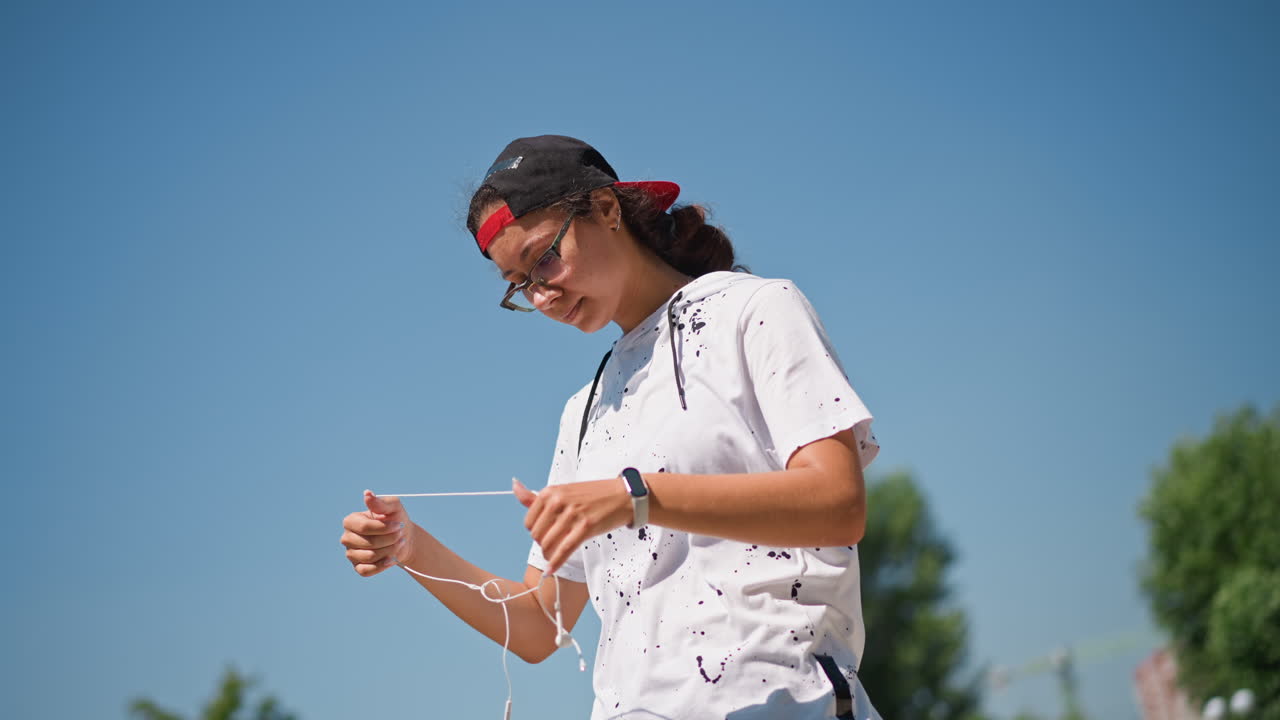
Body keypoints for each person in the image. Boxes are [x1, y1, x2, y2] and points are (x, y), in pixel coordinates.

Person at [340, 135, 882, 719]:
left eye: (545, 257)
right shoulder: (584, 411)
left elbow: (837, 503)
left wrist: (636, 497)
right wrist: (412, 548)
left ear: (606, 209)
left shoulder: (754, 310)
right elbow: (538, 626)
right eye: (519, 284)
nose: (543, 296)